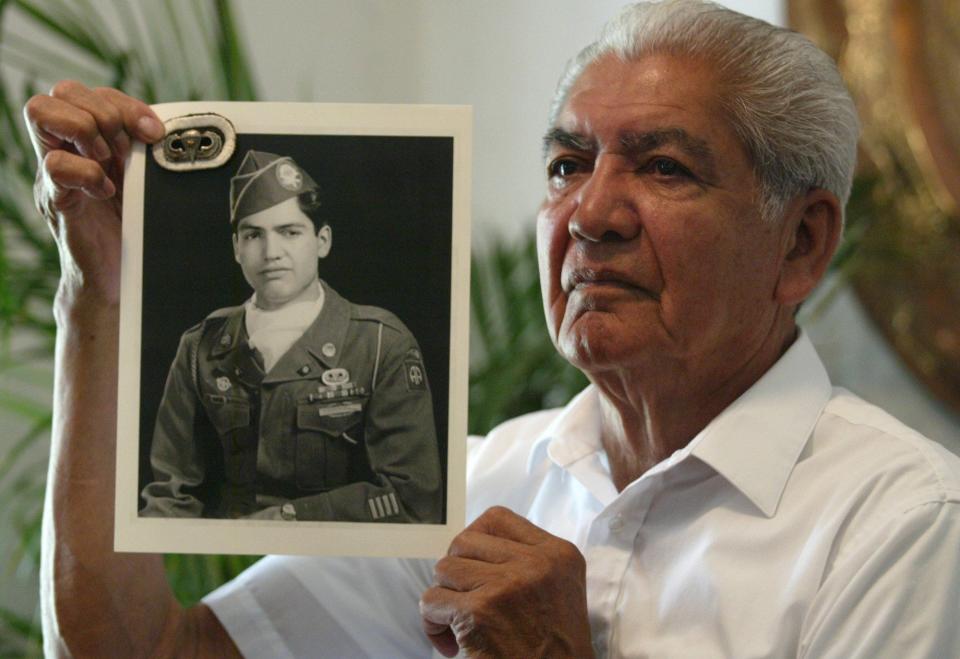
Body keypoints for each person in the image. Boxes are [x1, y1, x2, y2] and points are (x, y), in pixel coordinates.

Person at [26, 0, 960, 657]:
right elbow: (139, 649)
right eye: (567, 164)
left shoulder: (903, 526)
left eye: (664, 167)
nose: (592, 213)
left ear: (800, 243)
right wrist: (96, 293)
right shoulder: (482, 481)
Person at [138, 149, 443, 522]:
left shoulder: (380, 344)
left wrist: (286, 520)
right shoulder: (200, 347)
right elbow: (170, 495)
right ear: (237, 248)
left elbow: (413, 498)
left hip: (340, 562)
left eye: (290, 232)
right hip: (227, 559)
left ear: (322, 240)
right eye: (253, 235)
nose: (271, 253)